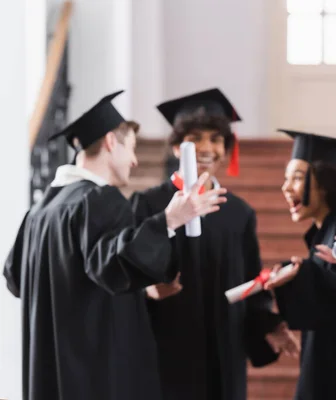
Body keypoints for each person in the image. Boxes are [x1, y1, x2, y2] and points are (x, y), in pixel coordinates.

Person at [3, 90, 227, 400]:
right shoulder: (98, 200)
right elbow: (112, 267)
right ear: (111, 142)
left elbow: (15, 280)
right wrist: (168, 221)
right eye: (131, 148)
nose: (135, 160)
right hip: (93, 374)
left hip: (49, 373)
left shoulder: (40, 211)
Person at [130, 89, 298, 400]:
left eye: (216, 139)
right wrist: (146, 291)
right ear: (178, 146)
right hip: (166, 350)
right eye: (195, 138)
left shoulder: (238, 212)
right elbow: (126, 273)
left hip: (225, 352)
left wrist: (268, 325)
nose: (207, 147)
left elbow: (250, 284)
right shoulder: (149, 204)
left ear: (226, 147)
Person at [263, 130, 336, 400]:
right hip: (325, 355)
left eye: (297, 178)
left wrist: (303, 273)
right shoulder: (323, 230)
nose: (286, 187)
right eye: (286, 178)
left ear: (326, 183)